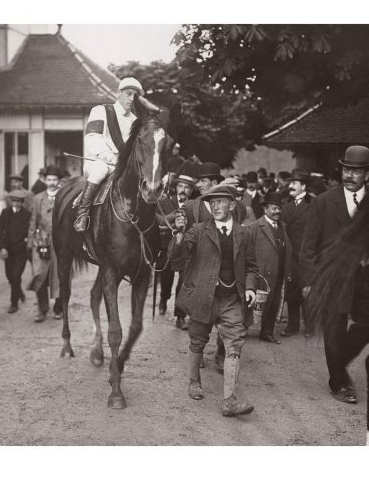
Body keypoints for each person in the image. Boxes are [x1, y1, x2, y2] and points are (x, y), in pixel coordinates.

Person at [301, 145, 369, 404]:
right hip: (331, 279)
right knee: (334, 331)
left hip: (365, 280)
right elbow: (308, 247)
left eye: (356, 172)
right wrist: (310, 282)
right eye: (347, 169)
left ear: (367, 175)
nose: (350, 175)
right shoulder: (324, 202)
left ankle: (339, 358)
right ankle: (339, 382)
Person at [171, 184, 258, 417]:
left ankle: (230, 401)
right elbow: (178, 260)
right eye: (212, 203)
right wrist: (178, 235)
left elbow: (251, 266)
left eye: (221, 202)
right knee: (197, 340)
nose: (216, 206)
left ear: (232, 205)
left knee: (234, 344)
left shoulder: (244, 233)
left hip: (231, 299)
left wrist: (250, 288)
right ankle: (194, 382)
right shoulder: (198, 230)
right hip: (202, 296)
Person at [74, 77, 160, 231]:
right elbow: (92, 138)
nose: (132, 98)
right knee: (100, 170)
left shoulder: (136, 120)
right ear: (118, 93)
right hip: (99, 161)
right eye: (128, 93)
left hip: (123, 166)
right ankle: (83, 213)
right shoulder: (101, 110)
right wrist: (112, 158)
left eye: (135, 95)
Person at [251, 191, 292, 343]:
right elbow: (248, 252)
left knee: (274, 304)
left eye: (279, 208)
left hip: (279, 273)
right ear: (265, 209)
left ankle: (267, 332)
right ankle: (240, 330)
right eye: (274, 208)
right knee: (256, 304)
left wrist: (288, 271)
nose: (278, 212)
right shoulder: (255, 227)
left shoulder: (283, 227)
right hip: (262, 274)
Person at [158, 172, 195, 329]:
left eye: (187, 187)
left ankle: (180, 316)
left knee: (184, 282)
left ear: (191, 191)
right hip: (167, 247)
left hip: (186, 249)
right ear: (176, 188)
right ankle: (163, 298)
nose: (183, 190)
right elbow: (158, 220)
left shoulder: (194, 205)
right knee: (166, 280)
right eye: (180, 186)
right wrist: (174, 218)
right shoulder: (164, 201)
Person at [280, 169, 313, 337]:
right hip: (290, 255)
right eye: (290, 182)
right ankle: (292, 326)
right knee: (292, 291)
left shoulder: (314, 204)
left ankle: (309, 326)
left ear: (304, 185)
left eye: (294, 183)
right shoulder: (285, 205)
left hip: (308, 255)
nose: (290, 186)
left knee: (307, 291)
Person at [28, 165, 63, 322]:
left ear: (59, 181)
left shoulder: (64, 196)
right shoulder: (38, 198)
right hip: (41, 242)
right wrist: (30, 243)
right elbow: (33, 222)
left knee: (60, 276)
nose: (52, 183)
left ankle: (58, 308)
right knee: (39, 276)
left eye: (55, 179)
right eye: (49, 179)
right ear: (44, 180)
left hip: (60, 244)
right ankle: (42, 309)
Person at [0, 189, 31, 314]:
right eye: (14, 201)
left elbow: (30, 232)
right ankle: (19, 291)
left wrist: (27, 242)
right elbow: (0, 232)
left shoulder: (27, 215)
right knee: (10, 276)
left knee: (16, 276)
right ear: (11, 201)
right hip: (8, 250)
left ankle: (13, 303)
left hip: (21, 251)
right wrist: (2, 248)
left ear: (22, 202)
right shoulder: (5, 213)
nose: (16, 204)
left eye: (19, 201)